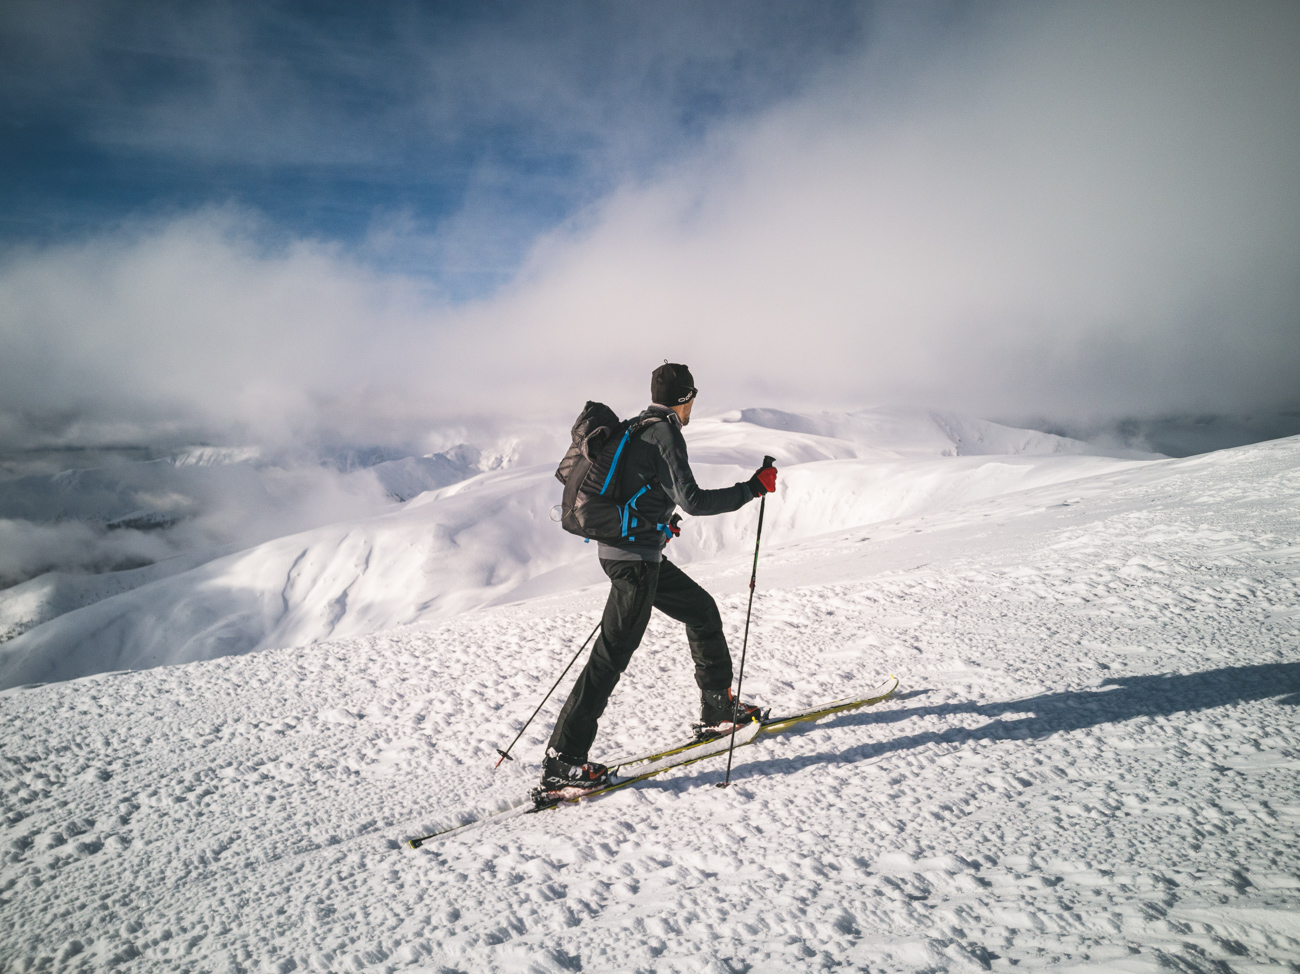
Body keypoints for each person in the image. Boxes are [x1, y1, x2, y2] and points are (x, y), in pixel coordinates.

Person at [540, 362, 778, 796]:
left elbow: (641, 492)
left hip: (632, 554)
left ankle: (718, 709)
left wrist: (658, 524)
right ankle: (565, 763)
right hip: (635, 564)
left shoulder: (637, 426)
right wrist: (753, 489)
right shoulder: (666, 432)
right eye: (692, 399)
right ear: (686, 398)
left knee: (701, 610)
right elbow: (695, 501)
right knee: (609, 658)